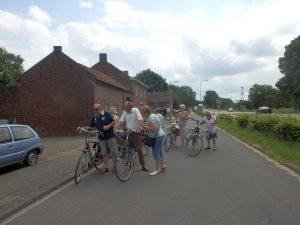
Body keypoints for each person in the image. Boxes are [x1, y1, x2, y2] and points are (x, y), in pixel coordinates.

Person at [118, 101, 149, 171]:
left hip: (135, 130)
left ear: (130, 107)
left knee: (139, 148)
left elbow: (140, 120)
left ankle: (143, 165)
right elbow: (121, 121)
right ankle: (124, 151)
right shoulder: (124, 112)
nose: (124, 107)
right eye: (124, 106)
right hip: (128, 130)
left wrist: (142, 127)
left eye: (125, 106)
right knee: (120, 136)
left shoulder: (136, 110)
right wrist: (118, 125)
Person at [89, 103, 117, 173]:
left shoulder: (106, 114)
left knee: (113, 152)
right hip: (101, 138)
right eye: (94, 109)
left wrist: (108, 126)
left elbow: (114, 122)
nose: (95, 111)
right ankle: (106, 168)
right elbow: (90, 126)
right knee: (104, 153)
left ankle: (114, 166)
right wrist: (82, 128)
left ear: (100, 109)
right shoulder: (94, 117)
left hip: (110, 136)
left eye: (97, 109)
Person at [140, 105, 166, 176]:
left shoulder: (151, 118)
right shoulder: (153, 115)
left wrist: (145, 127)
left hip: (157, 136)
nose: (141, 114)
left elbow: (153, 128)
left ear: (146, 112)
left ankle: (157, 170)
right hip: (161, 134)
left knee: (155, 152)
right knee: (159, 150)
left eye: (142, 112)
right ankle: (163, 165)